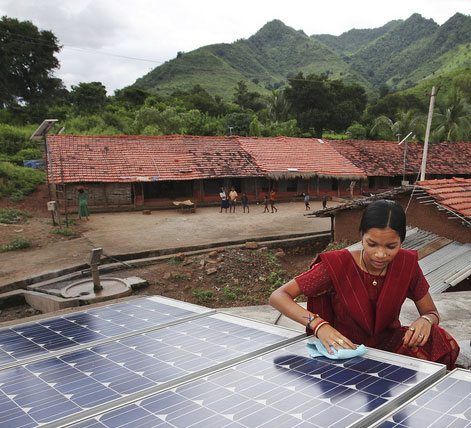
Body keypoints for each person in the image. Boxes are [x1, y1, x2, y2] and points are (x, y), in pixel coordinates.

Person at [269, 199, 459, 370]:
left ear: (402, 241)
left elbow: (431, 312)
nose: (380, 254)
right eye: (372, 244)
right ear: (361, 236)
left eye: (391, 246)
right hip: (345, 347)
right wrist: (319, 326)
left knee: (437, 336)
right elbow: (279, 296)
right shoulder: (337, 265)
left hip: (390, 345)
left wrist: (425, 321)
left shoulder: (406, 265)